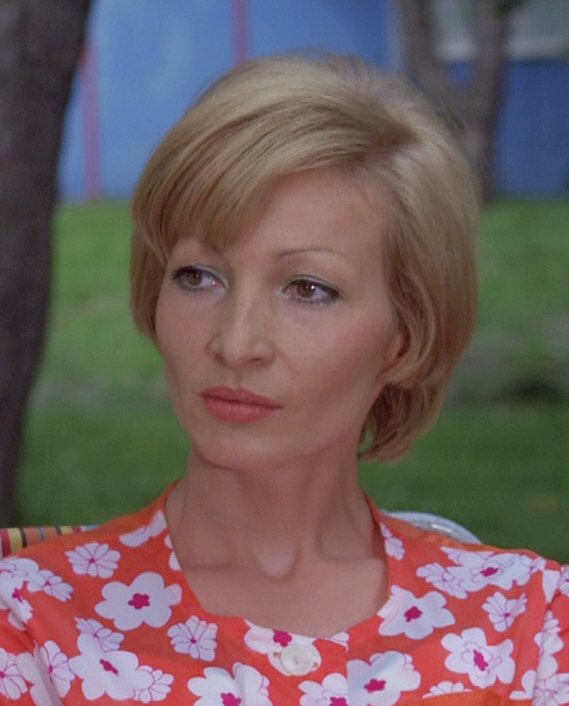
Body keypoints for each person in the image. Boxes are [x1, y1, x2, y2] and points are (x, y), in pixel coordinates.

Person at [0, 54, 567, 706]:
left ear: (406, 339)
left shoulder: (529, 626)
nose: (235, 343)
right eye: (198, 276)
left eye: (308, 289)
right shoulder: (32, 618)